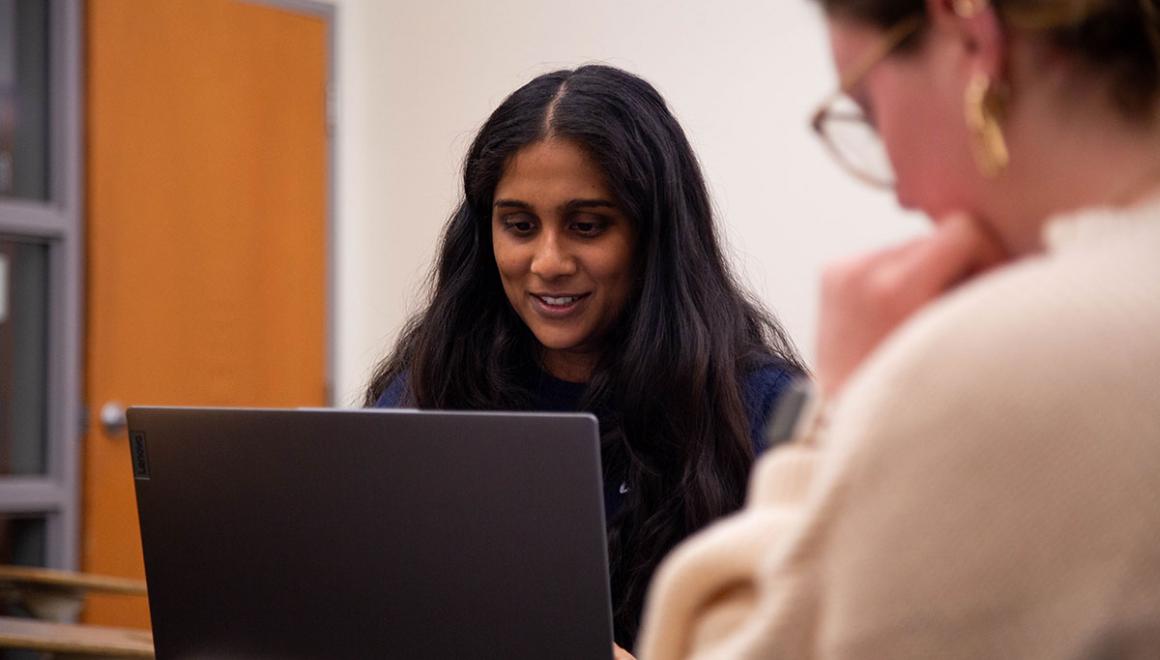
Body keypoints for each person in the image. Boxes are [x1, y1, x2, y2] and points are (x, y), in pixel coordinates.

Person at [639, 0, 1160, 657]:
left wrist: (835, 412)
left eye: (868, 107)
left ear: (970, 34)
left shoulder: (988, 370)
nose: (904, 194)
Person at [364, 64, 804, 652]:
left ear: (653, 234)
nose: (547, 261)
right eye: (519, 226)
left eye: (587, 226)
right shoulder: (433, 382)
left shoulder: (758, 409)